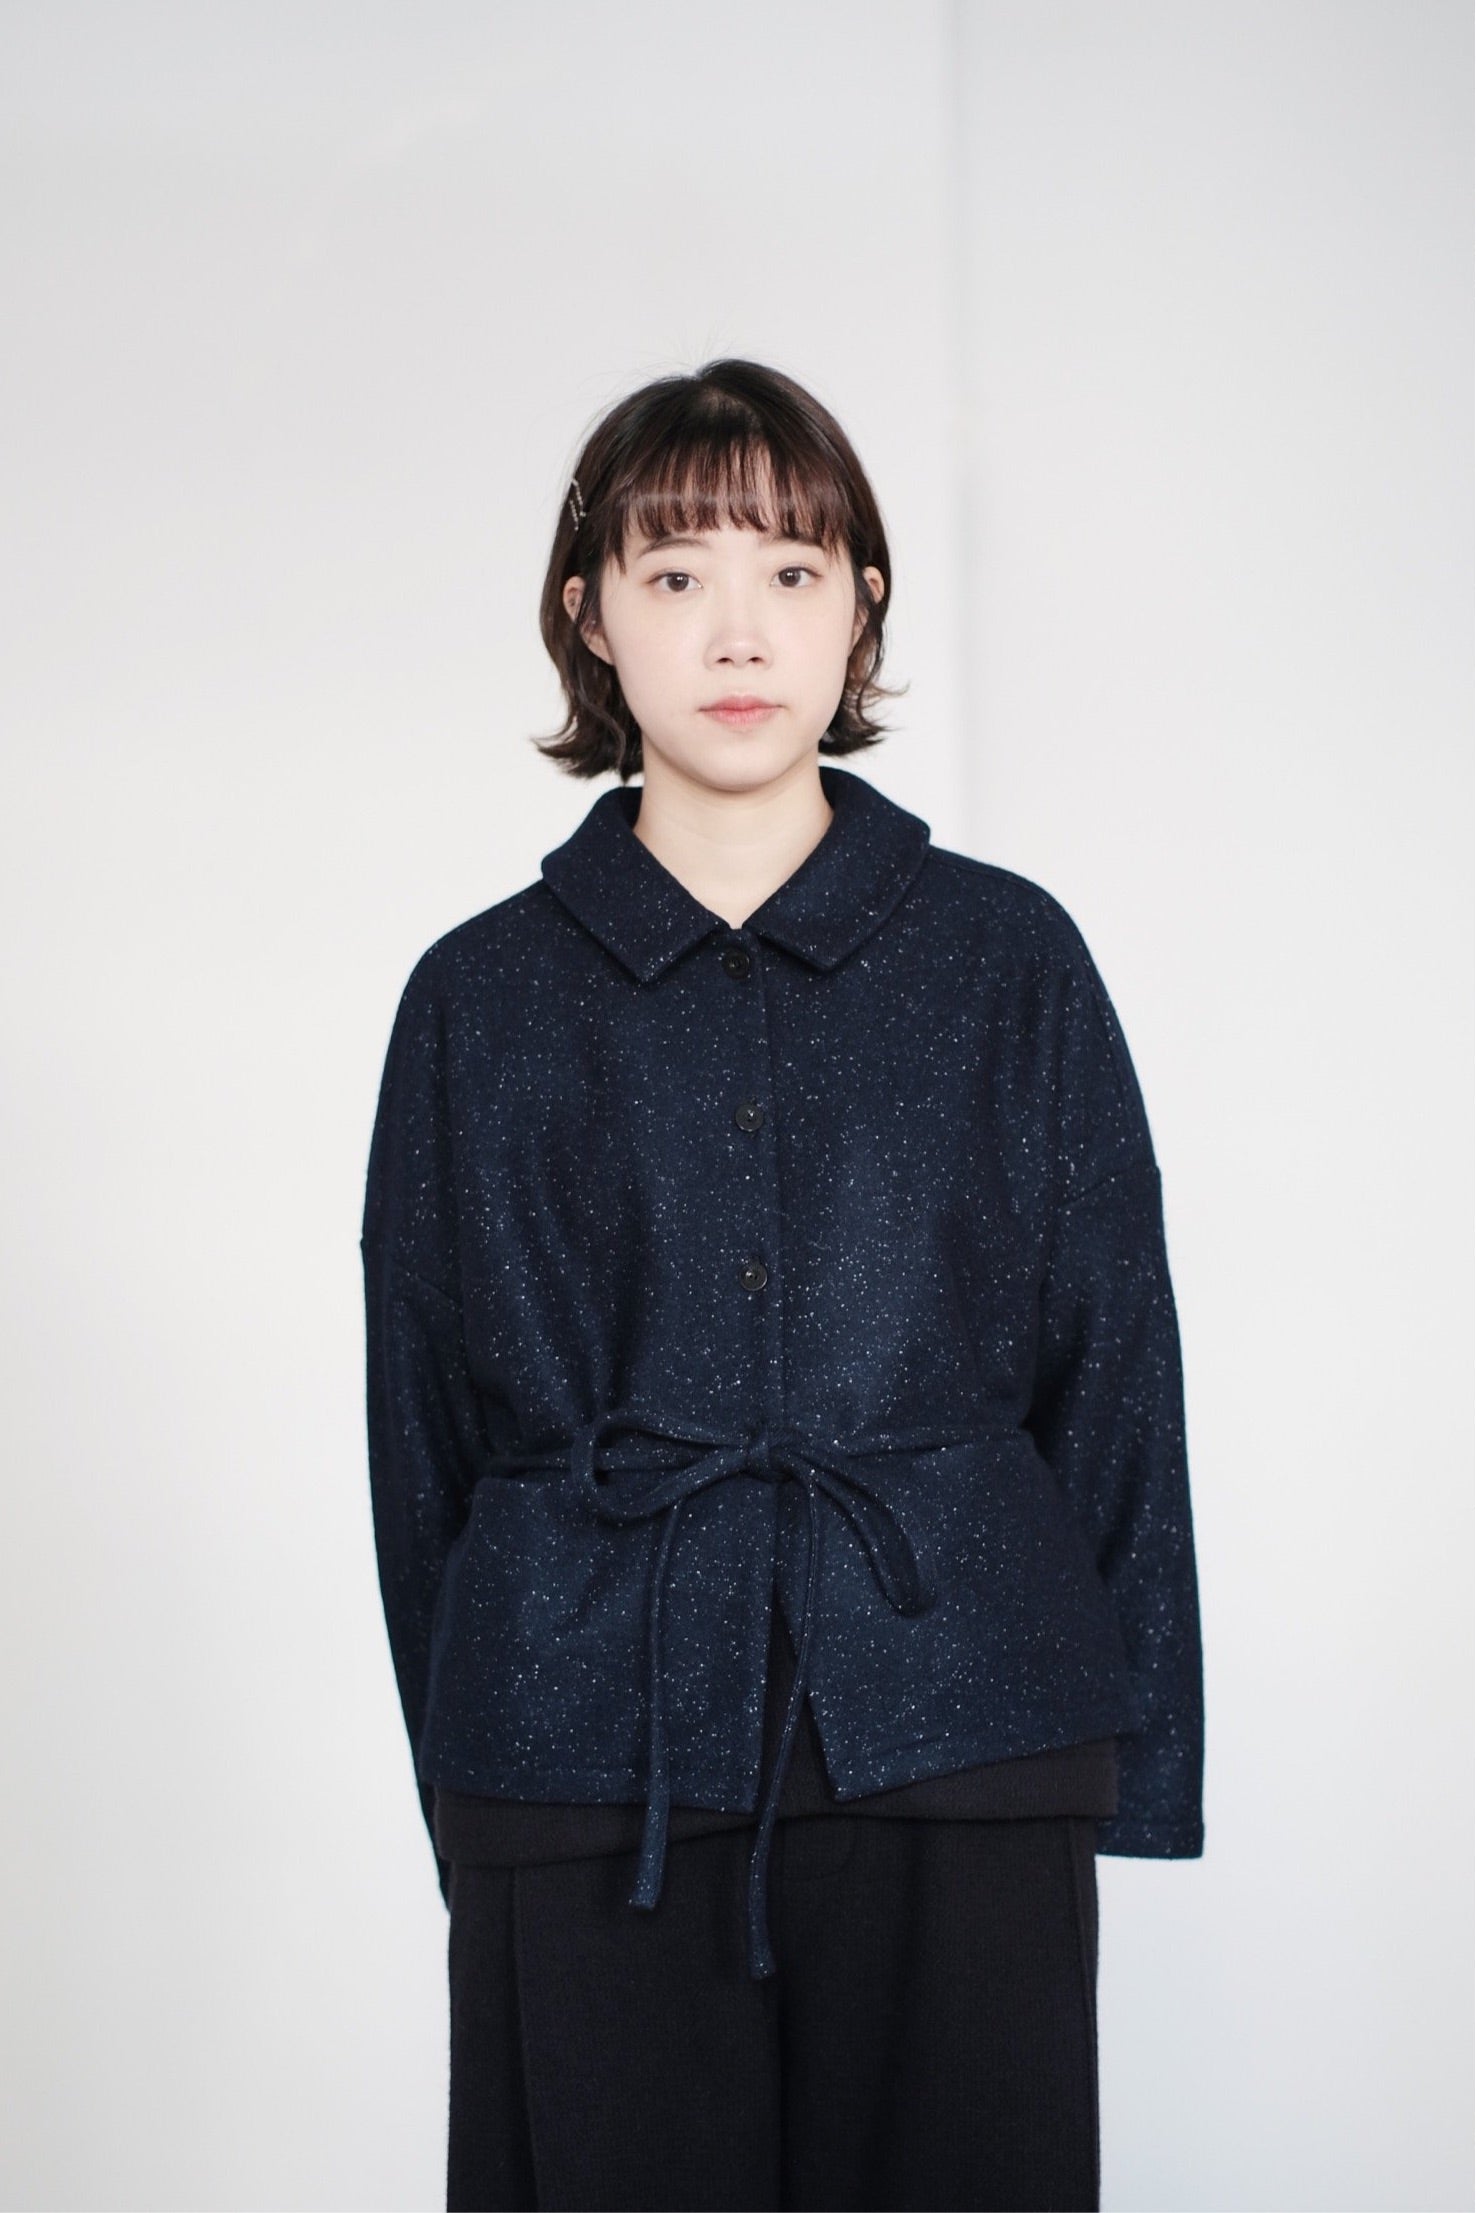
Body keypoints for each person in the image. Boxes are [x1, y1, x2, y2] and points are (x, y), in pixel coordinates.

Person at [359, 357, 1205, 2213]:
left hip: (960, 1724)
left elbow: (1113, 1364)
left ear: (862, 609)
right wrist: (475, 1767)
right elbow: (419, 1437)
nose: (738, 629)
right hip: (583, 1749)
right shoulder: (478, 999)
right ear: (590, 614)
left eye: (794, 571)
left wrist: (1122, 1753)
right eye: (675, 574)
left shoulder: (1008, 960)